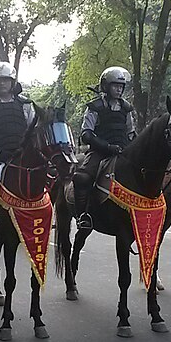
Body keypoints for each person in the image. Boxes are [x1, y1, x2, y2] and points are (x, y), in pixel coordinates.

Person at [72, 66, 136, 231]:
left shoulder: (127, 108)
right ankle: (83, 215)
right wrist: (107, 147)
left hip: (123, 151)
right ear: (106, 86)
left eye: (121, 87)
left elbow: (131, 132)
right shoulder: (95, 107)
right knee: (83, 178)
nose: (119, 89)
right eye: (115, 86)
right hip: (99, 152)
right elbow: (87, 133)